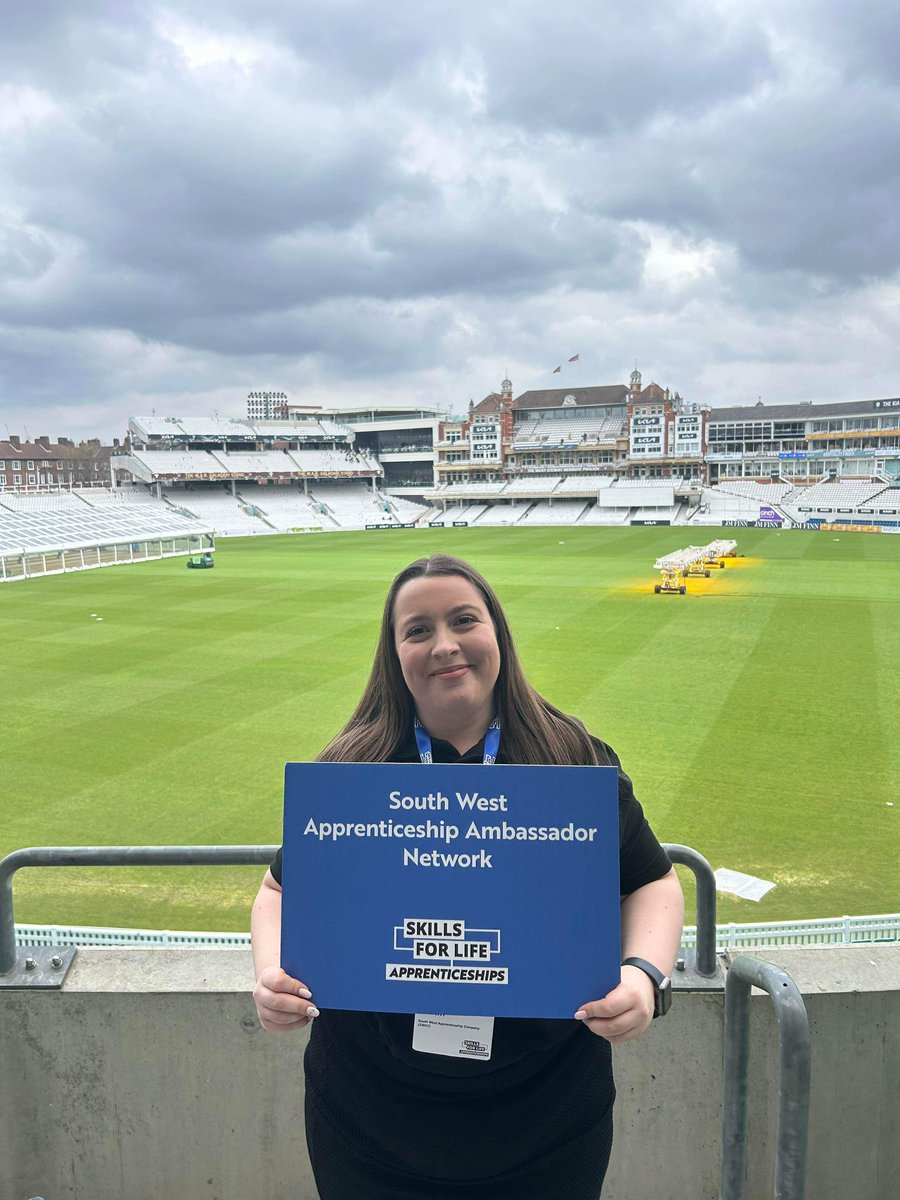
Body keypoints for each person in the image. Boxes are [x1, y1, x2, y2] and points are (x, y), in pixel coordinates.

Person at [251, 553, 684, 1199]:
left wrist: (643, 976)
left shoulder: (571, 758)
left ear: (497, 634)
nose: (445, 644)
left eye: (463, 620)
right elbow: (276, 892)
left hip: (547, 1109)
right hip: (368, 1113)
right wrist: (269, 976)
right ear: (393, 652)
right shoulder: (351, 770)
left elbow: (654, 882)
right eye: (417, 629)